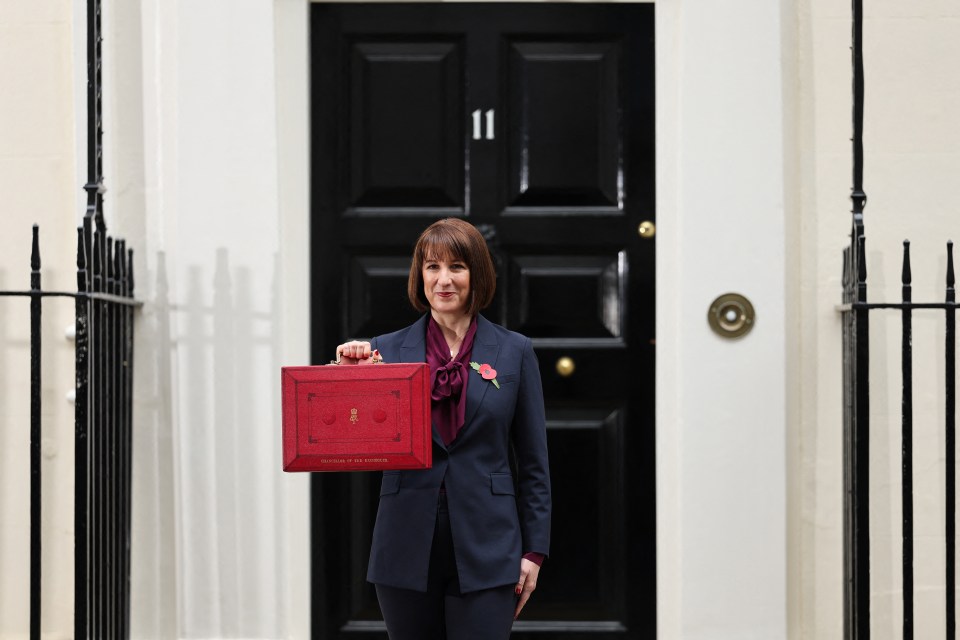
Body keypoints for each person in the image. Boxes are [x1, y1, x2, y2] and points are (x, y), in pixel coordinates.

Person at [335, 218, 551, 639]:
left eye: (457, 267)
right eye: (433, 267)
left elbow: (534, 463)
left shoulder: (515, 351)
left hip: (490, 546)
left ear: (477, 275)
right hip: (404, 546)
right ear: (420, 275)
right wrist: (348, 379)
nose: (444, 279)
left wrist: (534, 552)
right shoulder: (383, 350)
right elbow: (348, 441)